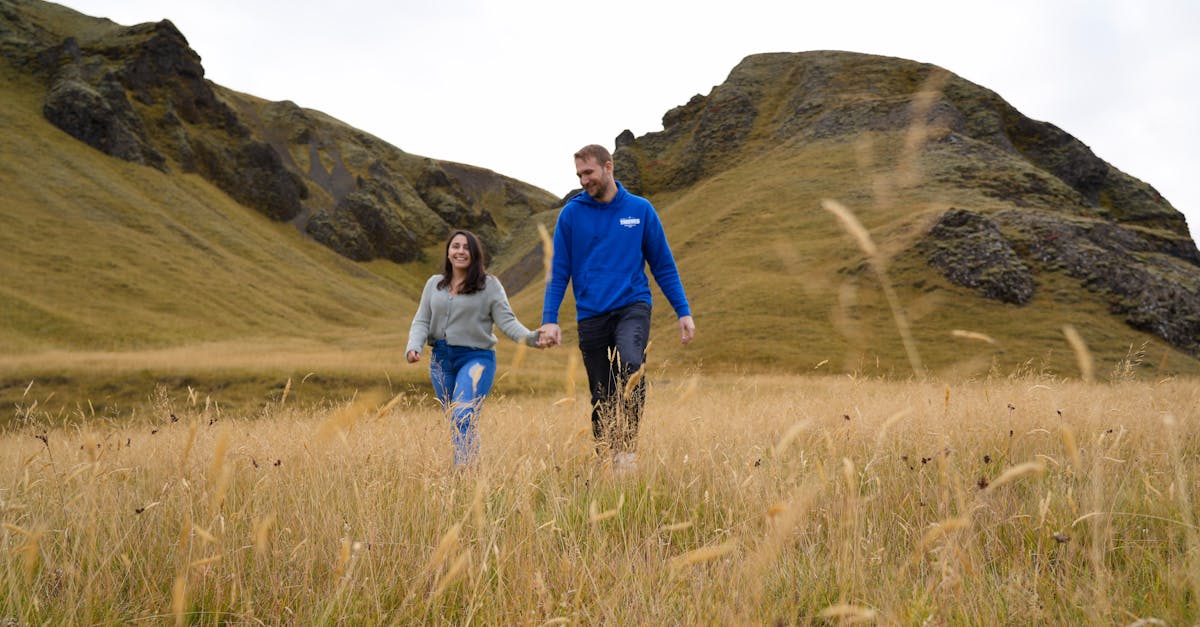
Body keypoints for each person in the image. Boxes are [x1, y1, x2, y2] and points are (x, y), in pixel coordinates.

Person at [539, 144, 695, 472]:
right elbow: (559, 272)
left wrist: (683, 311)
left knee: (631, 365)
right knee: (602, 395)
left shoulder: (640, 210)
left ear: (608, 167)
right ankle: (606, 461)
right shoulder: (571, 214)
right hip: (591, 315)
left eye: (589, 172)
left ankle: (627, 454)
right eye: (579, 174)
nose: (584, 180)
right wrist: (549, 319)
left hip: (632, 306)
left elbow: (663, 265)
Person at [407, 229, 544, 466]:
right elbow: (421, 320)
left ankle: (464, 472)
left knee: (464, 415)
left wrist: (532, 338)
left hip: (476, 359)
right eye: (455, 246)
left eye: (466, 247)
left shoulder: (489, 286)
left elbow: (507, 322)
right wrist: (414, 346)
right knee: (454, 418)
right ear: (448, 252)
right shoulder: (433, 284)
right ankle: (466, 468)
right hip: (440, 360)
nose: (460, 251)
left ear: (474, 254)